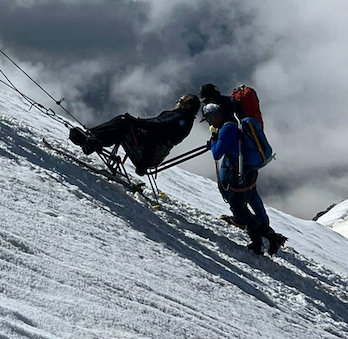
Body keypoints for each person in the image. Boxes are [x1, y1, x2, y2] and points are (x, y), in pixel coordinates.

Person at [203, 102, 285, 255]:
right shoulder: (231, 125)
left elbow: (217, 154)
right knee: (241, 208)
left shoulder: (226, 129)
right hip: (246, 171)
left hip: (238, 174)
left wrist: (214, 138)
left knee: (240, 210)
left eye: (209, 119)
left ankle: (263, 240)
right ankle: (266, 238)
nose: (209, 122)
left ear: (216, 115)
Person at [69, 94, 200, 175]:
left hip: (147, 151)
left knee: (123, 124)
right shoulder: (181, 118)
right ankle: (91, 138)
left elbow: (158, 125)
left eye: (180, 101)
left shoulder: (180, 119)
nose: (177, 102)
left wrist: (136, 122)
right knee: (123, 122)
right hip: (148, 146)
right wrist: (136, 122)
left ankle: (91, 140)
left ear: (187, 106)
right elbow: (156, 123)